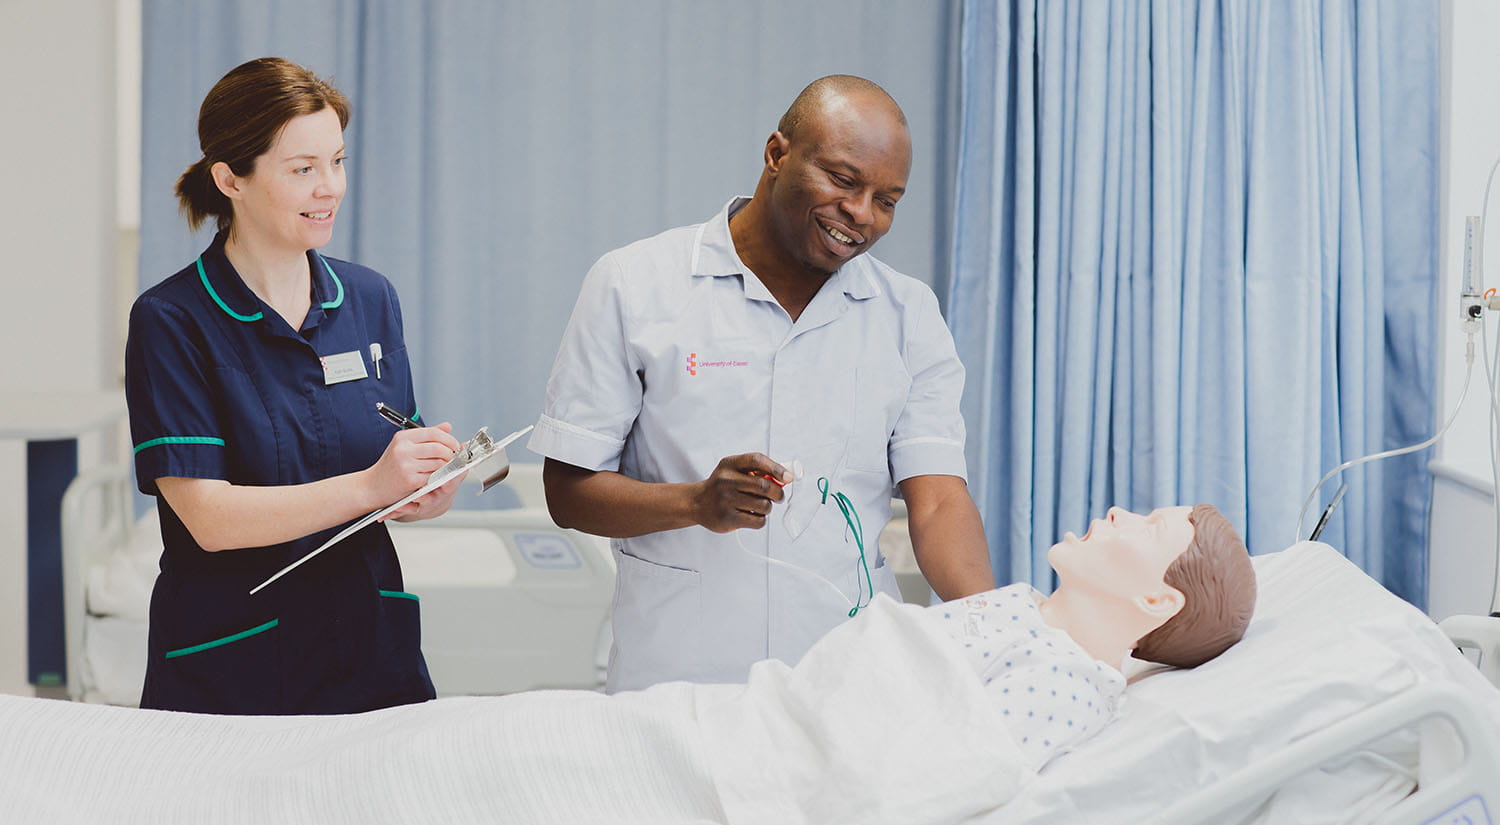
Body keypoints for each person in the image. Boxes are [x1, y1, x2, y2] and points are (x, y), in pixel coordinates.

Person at [529, 74, 996, 691]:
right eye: (843, 180)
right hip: (681, 682)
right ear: (777, 154)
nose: (861, 215)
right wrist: (695, 503)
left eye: (887, 200)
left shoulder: (907, 314)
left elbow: (937, 501)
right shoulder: (635, 285)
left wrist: (996, 634)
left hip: (846, 681)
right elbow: (568, 492)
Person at [124, 57, 463, 715]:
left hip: (371, 652)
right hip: (234, 666)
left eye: (336, 161)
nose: (329, 187)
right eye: (302, 169)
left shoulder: (369, 298)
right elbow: (209, 519)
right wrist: (371, 486)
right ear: (231, 179)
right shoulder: (172, 320)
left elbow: (396, 456)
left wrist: (425, 489)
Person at [927, 503, 1257, 770]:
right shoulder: (1024, 607)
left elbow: (945, 771)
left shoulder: (1065, 685)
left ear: (1157, 600)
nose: (1116, 512)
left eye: (1149, 528)